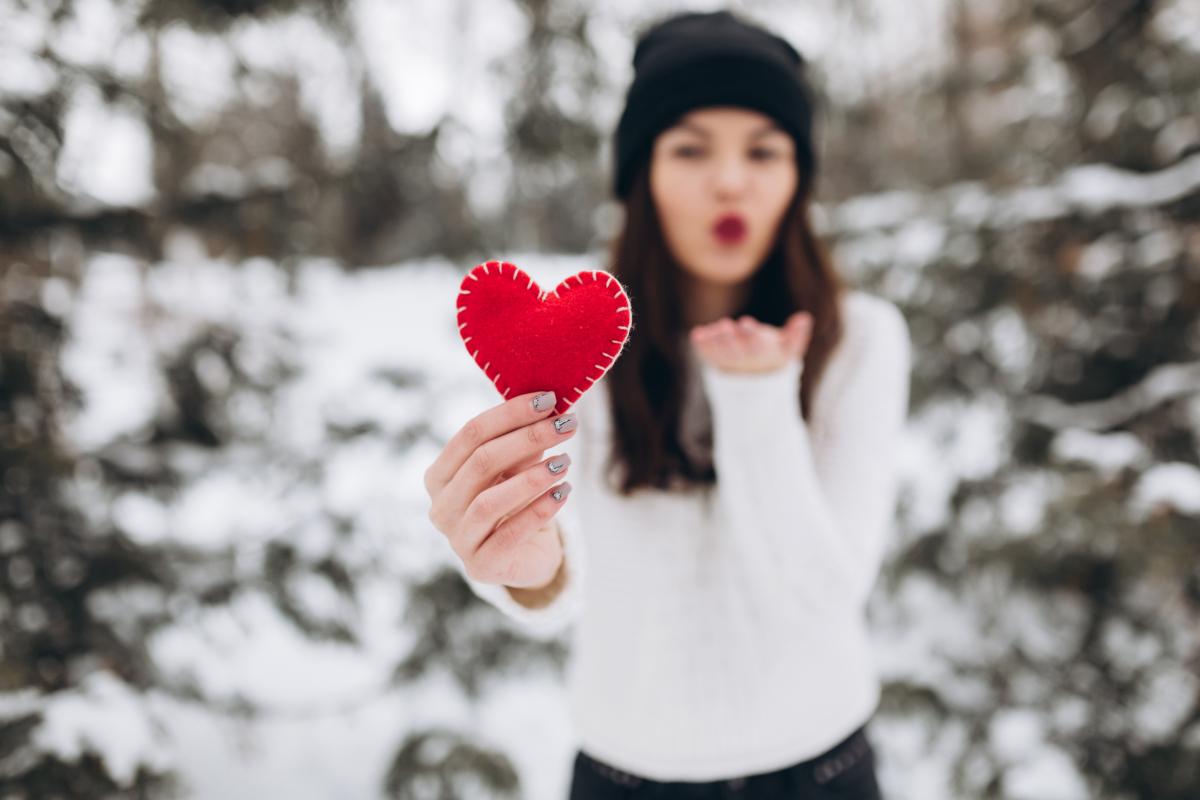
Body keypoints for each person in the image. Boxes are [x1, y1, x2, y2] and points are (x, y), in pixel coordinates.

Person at [423, 9, 910, 799]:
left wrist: (755, 397)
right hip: (626, 773)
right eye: (690, 148)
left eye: (764, 149)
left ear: (798, 175)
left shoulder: (863, 340)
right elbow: (554, 578)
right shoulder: (578, 338)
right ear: (640, 171)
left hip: (822, 768)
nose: (730, 180)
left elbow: (822, 597)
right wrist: (523, 565)